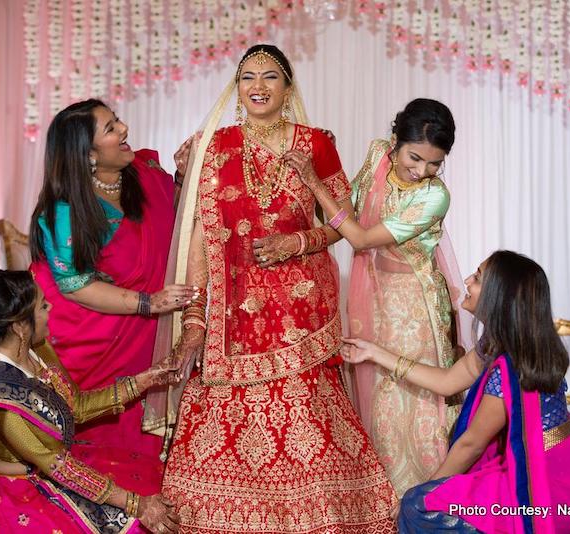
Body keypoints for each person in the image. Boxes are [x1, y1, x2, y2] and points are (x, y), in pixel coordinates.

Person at [157, 44, 396, 532]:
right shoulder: (212, 145)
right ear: (237, 87)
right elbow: (202, 237)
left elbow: (342, 223)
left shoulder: (315, 143)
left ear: (289, 87)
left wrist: (296, 241)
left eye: (270, 77)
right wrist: (198, 319)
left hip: (301, 310)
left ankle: (322, 519)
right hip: (231, 320)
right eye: (247, 78)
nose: (258, 87)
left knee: (308, 416)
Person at [344, 251, 570, 533]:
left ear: (497, 296)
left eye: (476, 277)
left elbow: (471, 445)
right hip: (559, 470)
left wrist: (425, 493)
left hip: (538, 485)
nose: (467, 281)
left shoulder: (509, 368)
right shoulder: (509, 344)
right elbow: (448, 381)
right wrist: (375, 352)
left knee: (417, 506)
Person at [0, 270, 181, 534]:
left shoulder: (36, 349)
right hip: (17, 492)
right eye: (43, 305)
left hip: (55, 465)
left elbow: (77, 406)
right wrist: (136, 504)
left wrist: (145, 380)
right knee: (133, 525)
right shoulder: (1, 398)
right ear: (20, 326)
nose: (51, 306)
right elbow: (58, 466)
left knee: (155, 479)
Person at [294, 98, 469, 496]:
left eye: (434, 163)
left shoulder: (434, 197)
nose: (422, 171)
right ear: (395, 140)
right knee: (373, 401)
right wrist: (324, 173)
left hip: (415, 310)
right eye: (415, 157)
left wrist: (315, 183)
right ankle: (376, 502)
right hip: (371, 298)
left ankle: (421, 504)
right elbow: (346, 213)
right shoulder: (378, 153)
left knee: (411, 404)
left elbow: (361, 237)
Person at [29, 99, 195, 494]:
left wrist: (182, 180)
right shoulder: (65, 210)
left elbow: (165, 228)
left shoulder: (144, 174)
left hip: (153, 331)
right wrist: (148, 303)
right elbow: (75, 285)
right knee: (108, 448)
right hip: (99, 338)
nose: (123, 130)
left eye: (117, 120)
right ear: (86, 154)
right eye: (110, 128)